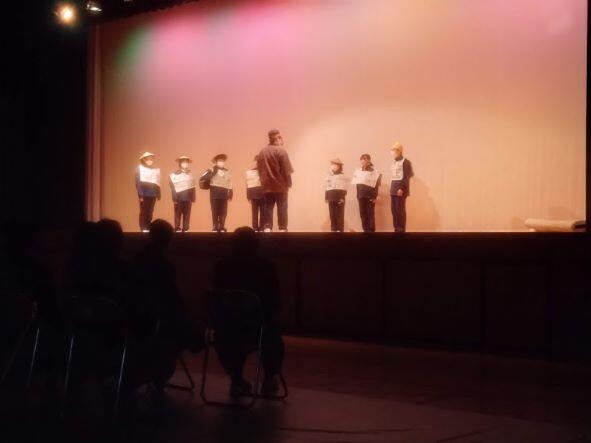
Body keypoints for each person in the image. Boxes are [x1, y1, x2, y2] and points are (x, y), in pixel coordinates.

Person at [212, 227, 284, 397]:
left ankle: (236, 377)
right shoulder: (266, 267)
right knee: (273, 334)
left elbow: (215, 299)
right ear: (256, 245)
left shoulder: (221, 266)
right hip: (257, 328)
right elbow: (274, 302)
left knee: (232, 337)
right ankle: (269, 378)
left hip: (226, 329)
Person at [257, 129, 294, 232]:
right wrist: (289, 183)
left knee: (268, 207)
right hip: (280, 186)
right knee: (282, 207)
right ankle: (282, 228)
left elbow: (259, 169)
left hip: (266, 186)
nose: (281, 140)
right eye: (280, 137)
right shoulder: (281, 151)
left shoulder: (262, 152)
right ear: (277, 139)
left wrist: (263, 182)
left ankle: (267, 227)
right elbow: (286, 170)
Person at [200, 154, 233, 232]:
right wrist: (212, 172)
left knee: (224, 212)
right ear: (216, 162)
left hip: (224, 194)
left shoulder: (227, 171)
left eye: (223, 161)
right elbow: (203, 178)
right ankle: (215, 226)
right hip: (214, 194)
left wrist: (231, 193)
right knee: (215, 211)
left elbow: (230, 183)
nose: (221, 162)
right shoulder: (211, 169)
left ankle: (222, 226)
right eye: (220, 161)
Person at [352, 154, 381, 232]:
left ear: (369, 160)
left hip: (370, 196)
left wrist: (374, 196)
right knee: (362, 214)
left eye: (365, 159)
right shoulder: (358, 171)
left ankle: (371, 231)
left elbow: (376, 185)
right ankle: (365, 230)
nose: (363, 161)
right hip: (361, 196)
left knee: (370, 214)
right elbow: (357, 184)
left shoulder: (374, 172)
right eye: (362, 159)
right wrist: (358, 195)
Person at [389, 142, 414, 232]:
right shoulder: (394, 163)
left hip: (400, 190)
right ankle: (396, 229)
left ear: (399, 150)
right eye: (392, 149)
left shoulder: (406, 162)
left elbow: (407, 176)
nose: (392, 151)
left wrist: (401, 188)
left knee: (400, 211)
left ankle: (401, 230)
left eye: (394, 149)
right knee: (394, 211)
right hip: (393, 190)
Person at [169, 155, 196, 233]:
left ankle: (186, 228)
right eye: (183, 163)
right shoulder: (174, 175)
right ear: (180, 164)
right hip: (179, 198)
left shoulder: (190, 174)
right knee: (178, 214)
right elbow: (173, 187)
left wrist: (193, 197)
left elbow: (193, 186)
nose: (185, 164)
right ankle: (177, 228)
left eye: (187, 163)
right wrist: (174, 198)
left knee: (187, 214)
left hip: (188, 198)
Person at [135, 152, 161, 233]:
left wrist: (158, 193)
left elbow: (157, 182)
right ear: (144, 160)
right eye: (148, 159)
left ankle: (148, 226)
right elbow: (137, 182)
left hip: (152, 194)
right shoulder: (140, 168)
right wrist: (140, 194)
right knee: (143, 211)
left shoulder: (154, 170)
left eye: (151, 159)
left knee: (150, 211)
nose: (150, 161)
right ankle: (143, 227)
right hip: (144, 194)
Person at [325, 159, 349, 232]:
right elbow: (327, 186)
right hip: (331, 197)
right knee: (332, 215)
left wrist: (342, 197)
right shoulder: (329, 175)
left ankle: (340, 231)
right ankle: (333, 230)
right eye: (332, 164)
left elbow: (345, 188)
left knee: (339, 215)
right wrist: (326, 197)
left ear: (339, 166)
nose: (332, 166)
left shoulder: (343, 176)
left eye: (334, 164)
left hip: (339, 198)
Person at [246, 156, 264, 232]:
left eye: (258, 161)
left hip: (263, 195)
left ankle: (262, 227)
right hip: (253, 195)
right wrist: (248, 196)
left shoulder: (265, 171)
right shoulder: (250, 172)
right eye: (255, 161)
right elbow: (248, 184)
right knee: (254, 213)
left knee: (263, 213)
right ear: (254, 162)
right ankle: (255, 228)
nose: (256, 163)